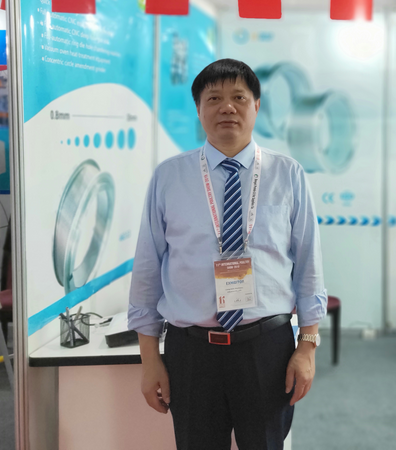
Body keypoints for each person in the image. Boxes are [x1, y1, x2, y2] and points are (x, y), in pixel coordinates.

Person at [128, 59, 327, 450]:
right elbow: (148, 268)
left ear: (256, 105)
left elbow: (309, 265)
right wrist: (149, 359)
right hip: (192, 353)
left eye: (239, 97)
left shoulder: (287, 174)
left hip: (266, 348)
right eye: (214, 98)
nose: (227, 107)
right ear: (198, 109)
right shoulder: (169, 177)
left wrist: (307, 346)